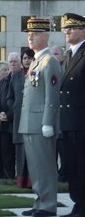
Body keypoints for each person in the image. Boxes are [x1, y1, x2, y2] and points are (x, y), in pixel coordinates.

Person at [19, 18, 61, 217]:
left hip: (40, 122)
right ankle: (40, 201)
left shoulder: (49, 61)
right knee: (35, 166)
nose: (31, 37)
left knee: (44, 164)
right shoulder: (37, 60)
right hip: (30, 121)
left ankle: (48, 204)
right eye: (29, 34)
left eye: (35, 34)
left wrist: (48, 122)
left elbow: (52, 95)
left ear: (45, 36)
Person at [58, 13, 85, 217]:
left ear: (83, 30)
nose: (67, 31)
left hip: (81, 120)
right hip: (68, 120)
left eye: (72, 28)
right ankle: (78, 203)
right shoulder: (68, 55)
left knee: (81, 165)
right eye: (66, 28)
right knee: (72, 166)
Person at [6, 52, 30, 188]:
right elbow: (9, 97)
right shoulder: (15, 76)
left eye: (29, 58)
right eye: (24, 58)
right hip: (19, 118)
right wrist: (14, 107)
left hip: (34, 118)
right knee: (20, 151)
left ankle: (34, 180)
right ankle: (22, 181)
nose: (27, 60)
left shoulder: (38, 72)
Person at [0, 60, 15, 179]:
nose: (6, 72)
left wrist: (7, 115)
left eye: (7, 70)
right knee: (1, 151)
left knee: (9, 151)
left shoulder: (10, 82)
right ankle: (1, 174)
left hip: (10, 121)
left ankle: (9, 175)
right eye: (3, 70)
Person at [50, 45, 67, 182]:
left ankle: (64, 175)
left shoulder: (66, 71)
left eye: (56, 54)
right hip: (50, 120)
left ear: (62, 56)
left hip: (63, 120)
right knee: (51, 154)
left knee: (64, 152)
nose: (53, 56)